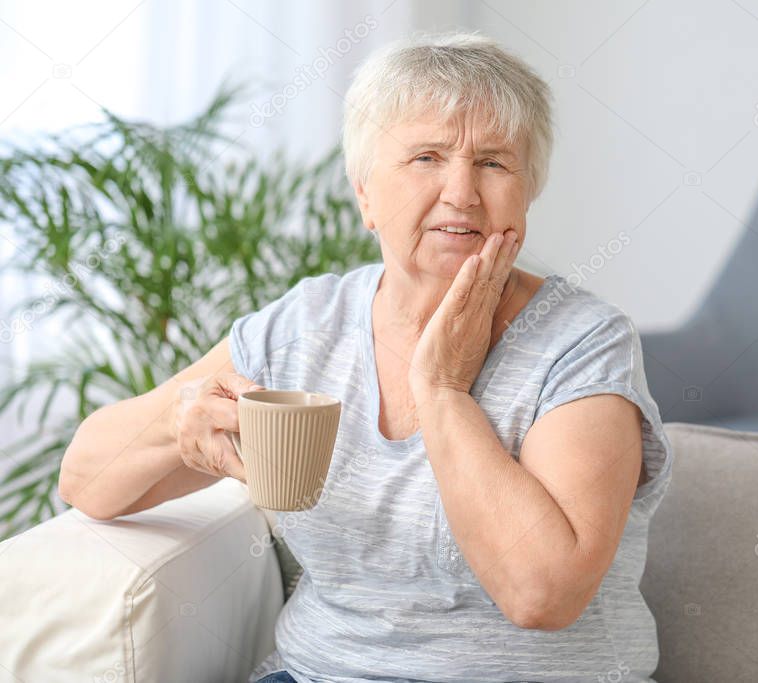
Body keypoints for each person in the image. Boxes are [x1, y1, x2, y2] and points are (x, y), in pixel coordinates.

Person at [58, 32, 675, 682]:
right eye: (426, 157)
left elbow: (542, 593)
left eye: (494, 162)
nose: (461, 191)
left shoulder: (582, 342)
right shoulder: (306, 325)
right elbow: (84, 479)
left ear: (528, 192)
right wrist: (172, 429)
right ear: (365, 195)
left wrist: (442, 390)